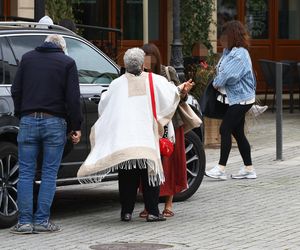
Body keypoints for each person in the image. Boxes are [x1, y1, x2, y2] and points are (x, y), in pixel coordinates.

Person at [77, 47, 194, 222]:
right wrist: (182, 88)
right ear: (141, 63)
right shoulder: (155, 80)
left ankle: (126, 212)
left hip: (125, 139)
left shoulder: (117, 84)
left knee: (126, 177)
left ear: (126, 64)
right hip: (147, 138)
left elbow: (104, 105)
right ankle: (153, 212)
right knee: (150, 175)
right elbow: (171, 93)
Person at [11, 34, 82, 234]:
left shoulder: (27, 58)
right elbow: (73, 98)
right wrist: (75, 126)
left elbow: (16, 90)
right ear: (61, 47)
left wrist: (22, 114)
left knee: (25, 173)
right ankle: (42, 221)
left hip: (28, 120)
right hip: (55, 121)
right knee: (49, 173)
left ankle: (24, 222)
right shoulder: (67, 63)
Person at [139, 43, 194, 218]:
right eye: (144, 57)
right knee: (149, 166)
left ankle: (169, 204)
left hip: (170, 126)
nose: (147, 61)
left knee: (170, 164)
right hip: (148, 126)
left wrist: (184, 91)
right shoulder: (138, 75)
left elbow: (180, 98)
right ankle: (150, 205)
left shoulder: (167, 72)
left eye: (150, 57)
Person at [205, 20, 257, 180]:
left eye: (224, 36)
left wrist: (216, 83)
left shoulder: (239, 53)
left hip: (242, 99)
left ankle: (220, 169)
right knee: (238, 132)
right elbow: (222, 71)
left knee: (225, 129)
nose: (222, 39)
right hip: (237, 99)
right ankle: (249, 169)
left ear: (232, 36)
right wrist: (220, 78)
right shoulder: (230, 51)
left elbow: (230, 76)